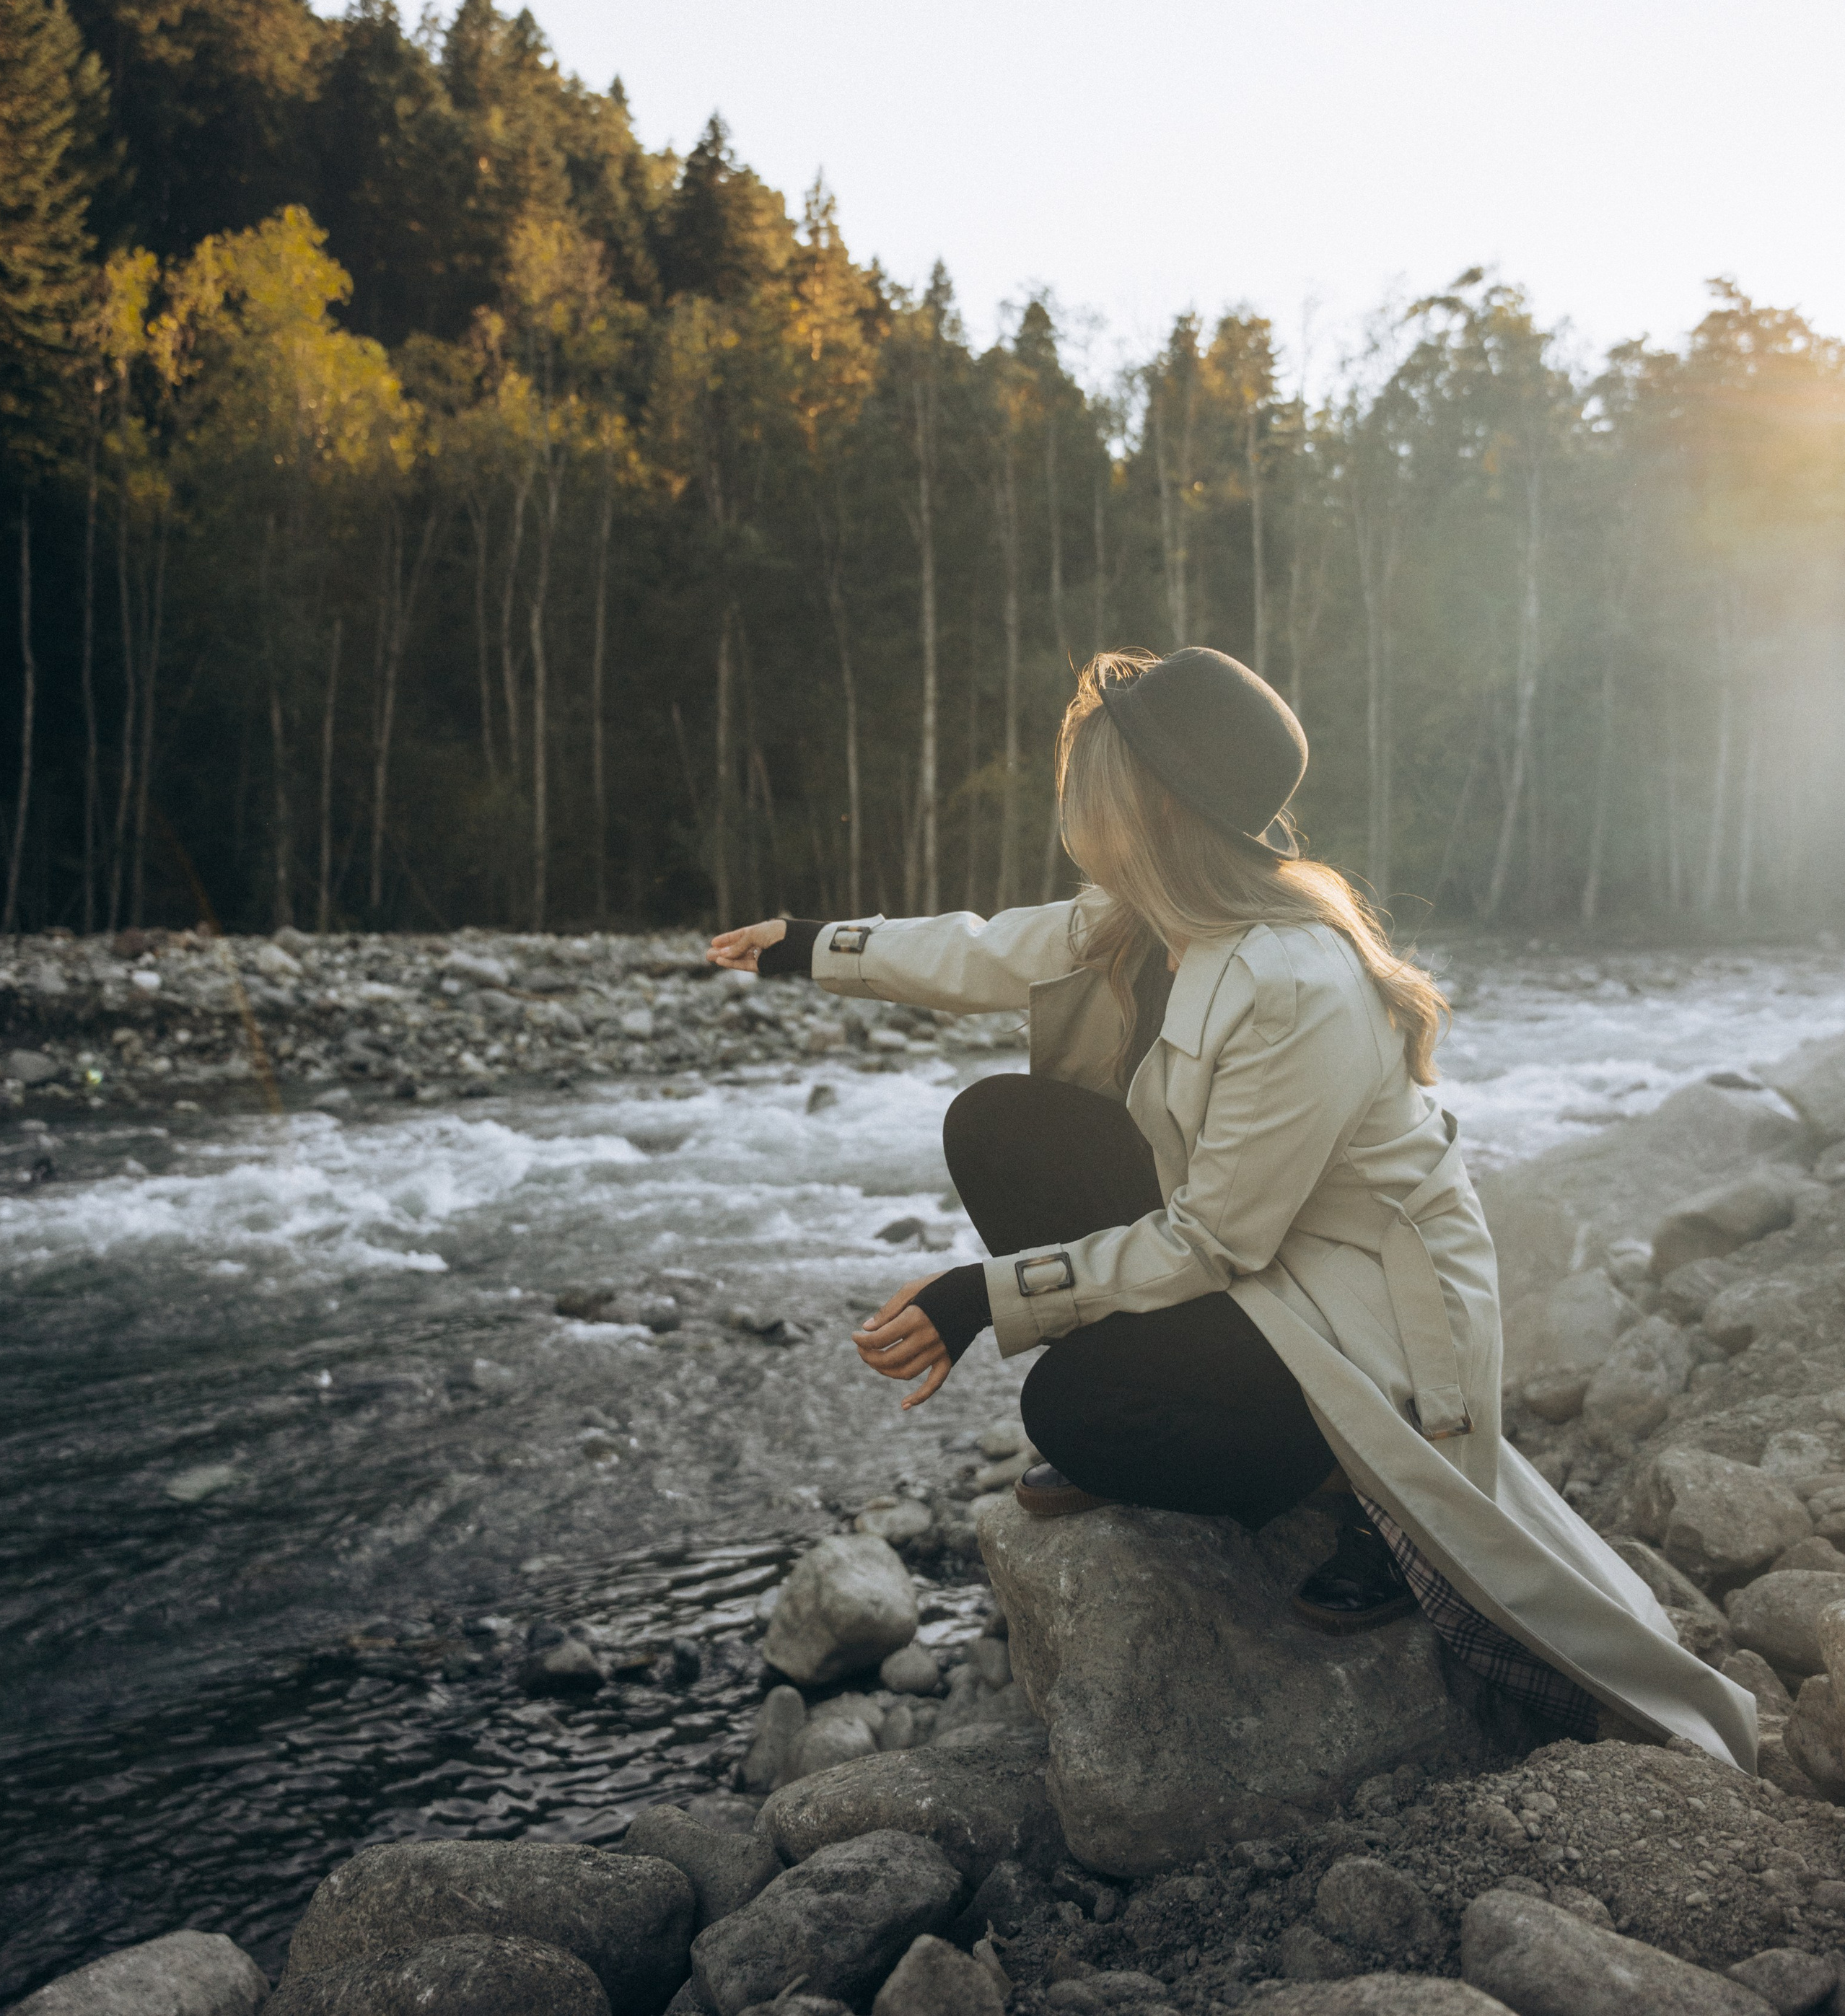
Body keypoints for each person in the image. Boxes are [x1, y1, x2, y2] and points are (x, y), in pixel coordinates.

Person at [708, 647, 1756, 1768]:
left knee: (1073, 1412)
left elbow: (1214, 1238)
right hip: (1262, 1264)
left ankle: (1338, 1478)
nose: (1071, 785)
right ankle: (1186, 1388)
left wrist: (982, 1297)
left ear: (1153, 803)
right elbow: (991, 945)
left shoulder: (1296, 978)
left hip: (1367, 1321)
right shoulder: (1152, 914)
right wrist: (812, 946)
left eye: (1093, 767)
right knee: (995, 1124)